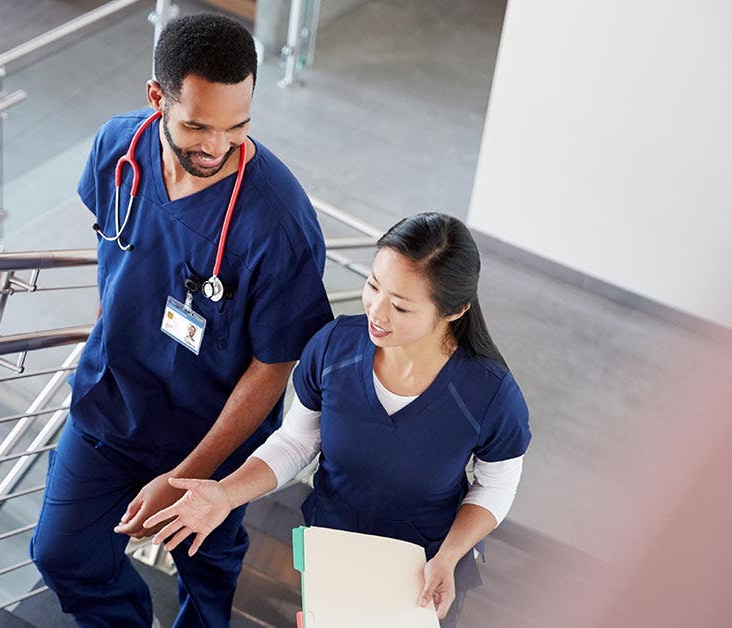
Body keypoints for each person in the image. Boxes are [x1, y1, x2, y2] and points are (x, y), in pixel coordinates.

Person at [29, 12, 334, 627]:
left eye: (237, 126)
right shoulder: (118, 149)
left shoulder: (278, 223)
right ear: (156, 98)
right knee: (61, 553)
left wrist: (188, 476)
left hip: (212, 436)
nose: (217, 147)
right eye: (196, 126)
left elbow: (274, 367)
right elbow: (114, 251)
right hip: (111, 408)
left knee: (208, 564)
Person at [145, 213, 531, 627]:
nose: (377, 313)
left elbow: (496, 483)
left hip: (423, 566)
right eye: (373, 285)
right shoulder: (333, 347)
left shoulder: (490, 395)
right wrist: (226, 494)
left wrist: (451, 556)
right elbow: (296, 441)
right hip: (333, 543)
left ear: (454, 311)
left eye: (400, 306)